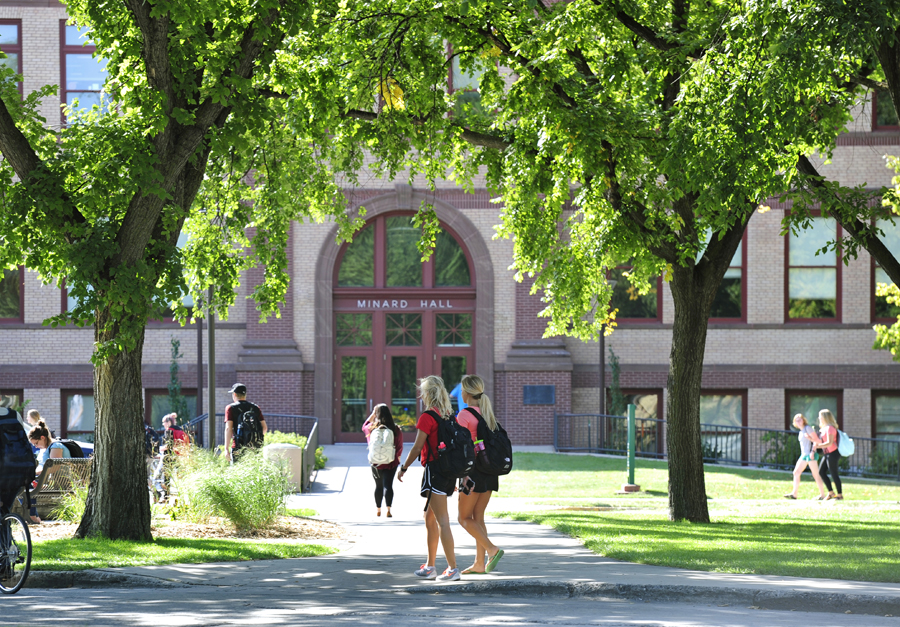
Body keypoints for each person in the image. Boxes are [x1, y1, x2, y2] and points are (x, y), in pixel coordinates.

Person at [397, 375, 460, 582]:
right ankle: (430, 566)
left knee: (442, 521)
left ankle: (452, 568)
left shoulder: (428, 416)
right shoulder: (448, 414)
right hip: (448, 471)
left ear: (427, 393)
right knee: (429, 518)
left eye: (422, 391)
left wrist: (403, 467)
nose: (421, 395)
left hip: (435, 471)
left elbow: (417, 447)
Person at [454, 374, 504, 575]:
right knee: (478, 518)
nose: (461, 393)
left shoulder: (464, 415)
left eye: (462, 390)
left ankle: (492, 549)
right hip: (490, 472)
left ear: (466, 393)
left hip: (473, 473)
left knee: (464, 518)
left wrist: (459, 474)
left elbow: (460, 449)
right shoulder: (488, 413)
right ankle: (479, 563)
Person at [362, 404, 403, 518]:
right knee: (388, 485)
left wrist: (373, 414)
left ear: (377, 414)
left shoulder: (371, 428)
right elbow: (399, 446)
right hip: (391, 462)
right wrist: (398, 458)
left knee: (378, 486)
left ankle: (378, 510)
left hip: (376, 462)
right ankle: (388, 510)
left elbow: (364, 426)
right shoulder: (395, 429)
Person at [784, 413, 827, 500]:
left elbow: (817, 440)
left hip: (811, 454)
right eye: (796, 420)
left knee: (816, 475)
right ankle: (794, 494)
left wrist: (813, 452)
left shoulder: (808, 428)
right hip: (803, 455)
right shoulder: (801, 431)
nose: (798, 422)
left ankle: (822, 495)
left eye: (800, 419)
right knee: (796, 473)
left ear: (803, 420)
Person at [223, 383, 267, 462]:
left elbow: (228, 429)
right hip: (254, 448)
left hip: (238, 446)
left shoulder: (230, 408)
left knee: (237, 469)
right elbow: (264, 428)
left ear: (234, 394)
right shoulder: (255, 407)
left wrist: (226, 449)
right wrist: (254, 438)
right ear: (245, 394)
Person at [814, 409, 843, 500]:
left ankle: (839, 495)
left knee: (834, 473)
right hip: (827, 453)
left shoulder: (830, 428)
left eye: (820, 416)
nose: (819, 418)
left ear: (825, 417)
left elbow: (830, 443)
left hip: (833, 453)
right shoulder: (824, 428)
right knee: (821, 472)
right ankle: (831, 493)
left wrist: (818, 446)